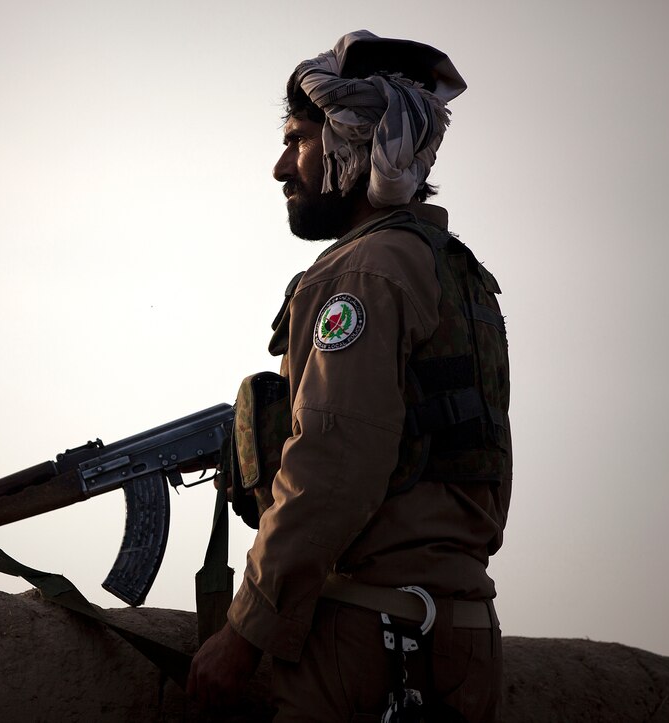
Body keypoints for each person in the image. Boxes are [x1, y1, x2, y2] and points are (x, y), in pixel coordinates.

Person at [186, 30, 512, 722]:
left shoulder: (362, 273)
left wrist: (244, 631)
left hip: (368, 649)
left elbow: (332, 466)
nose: (282, 166)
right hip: (459, 638)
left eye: (298, 139)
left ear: (353, 147)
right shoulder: (457, 273)